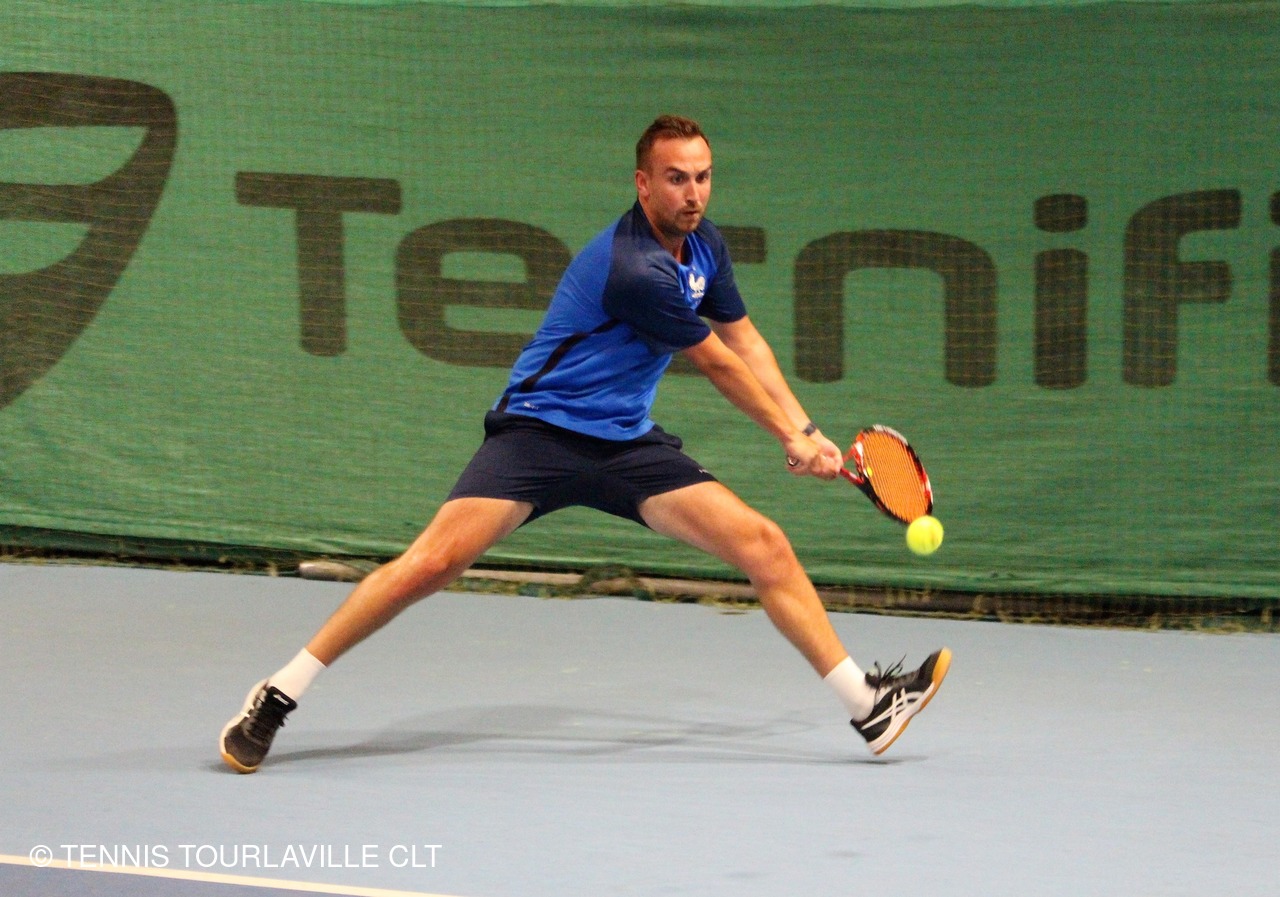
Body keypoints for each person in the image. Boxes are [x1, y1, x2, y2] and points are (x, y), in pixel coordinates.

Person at [220, 115, 950, 774]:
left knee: (765, 545)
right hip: (539, 434)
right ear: (642, 183)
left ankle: (867, 705)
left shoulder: (706, 247)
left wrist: (808, 430)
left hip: (625, 446)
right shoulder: (635, 268)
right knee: (431, 564)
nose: (693, 193)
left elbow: (746, 340)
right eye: (676, 178)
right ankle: (278, 692)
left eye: (703, 177)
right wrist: (789, 435)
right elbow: (718, 364)